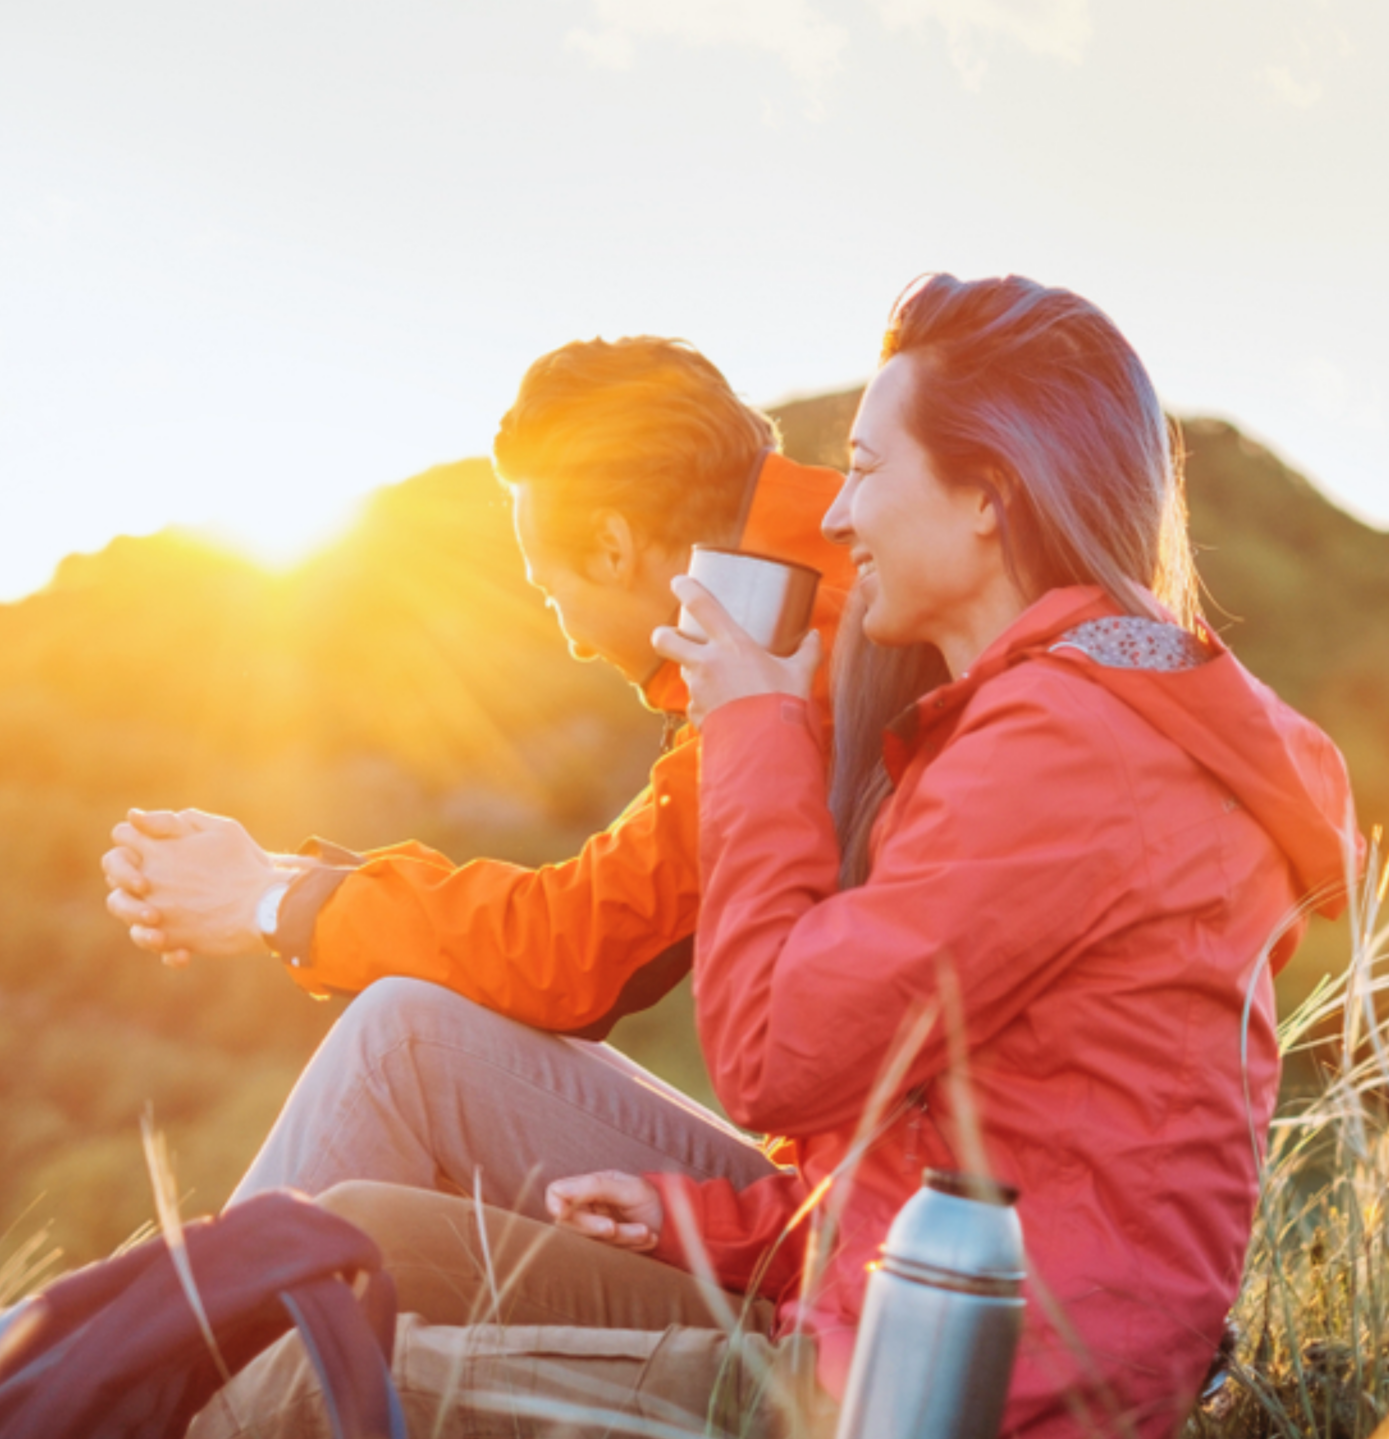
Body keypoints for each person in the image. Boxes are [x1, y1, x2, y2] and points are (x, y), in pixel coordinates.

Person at [196, 274, 1360, 1439]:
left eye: (862, 470)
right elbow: (935, 1136)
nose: (837, 516)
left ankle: (98, 1392)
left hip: (944, 1394)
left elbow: (770, 1057)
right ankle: (98, 1377)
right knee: (352, 1238)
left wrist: (752, 720)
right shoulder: (1043, 716)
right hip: (881, 1306)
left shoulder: (1061, 747)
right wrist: (680, 1219)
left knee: (292, 1391)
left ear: (986, 498)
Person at [101, 336, 855, 1216]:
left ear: (613, 548)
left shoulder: (807, 651)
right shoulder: (828, 586)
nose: (570, 635)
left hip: (845, 1225)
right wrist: (283, 880)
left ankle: (177, 1341)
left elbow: (573, 949)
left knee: (403, 1043)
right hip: (846, 1190)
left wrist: (272, 907)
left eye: (549, 589)